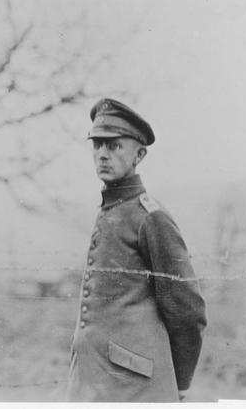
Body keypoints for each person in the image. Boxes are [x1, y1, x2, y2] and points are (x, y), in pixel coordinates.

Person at [66, 98, 207, 402]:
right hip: (94, 379)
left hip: (134, 389)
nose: (102, 154)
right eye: (97, 145)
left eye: (114, 146)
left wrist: (178, 384)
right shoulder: (110, 209)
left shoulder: (150, 218)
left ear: (139, 154)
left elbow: (187, 309)